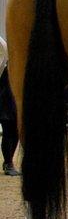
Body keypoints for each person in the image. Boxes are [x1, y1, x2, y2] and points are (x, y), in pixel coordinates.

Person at [0, 39, 20, 176]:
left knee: (13, 130)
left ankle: (8, 162)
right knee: (10, 130)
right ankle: (8, 163)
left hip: (11, 99)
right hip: (5, 98)